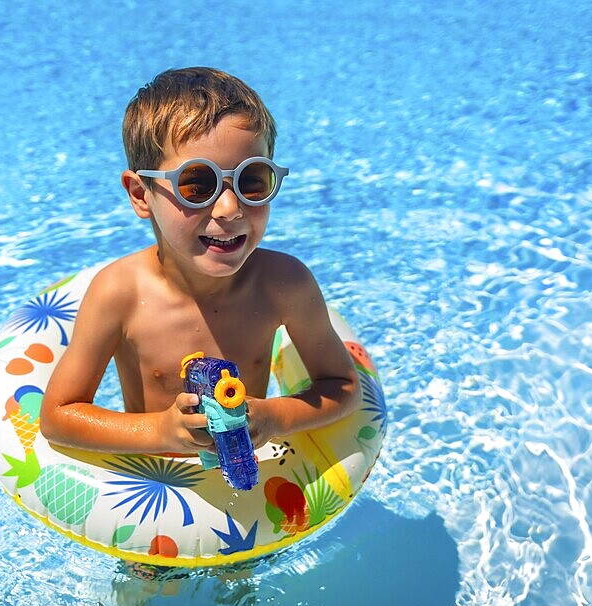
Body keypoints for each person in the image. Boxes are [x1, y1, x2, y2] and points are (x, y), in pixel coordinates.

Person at [39, 67, 359, 457]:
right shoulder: (119, 294)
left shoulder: (285, 284)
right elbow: (58, 416)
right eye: (197, 184)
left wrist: (275, 416)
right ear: (141, 194)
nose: (229, 208)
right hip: (158, 485)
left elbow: (342, 387)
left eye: (252, 179)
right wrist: (160, 430)